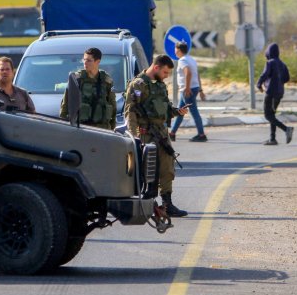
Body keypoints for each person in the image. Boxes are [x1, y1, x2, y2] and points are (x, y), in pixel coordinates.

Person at [124, 55, 189, 217]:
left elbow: (165, 108)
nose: (167, 76)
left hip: (161, 134)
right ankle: (147, 205)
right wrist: (134, 137)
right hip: (146, 135)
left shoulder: (160, 85)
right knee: (149, 171)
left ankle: (167, 204)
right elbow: (130, 111)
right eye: (165, 72)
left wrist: (177, 111)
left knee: (167, 169)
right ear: (156, 67)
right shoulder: (138, 85)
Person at [59, 47, 116, 130]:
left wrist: (112, 129)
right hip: (80, 129)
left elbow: (113, 107)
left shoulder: (107, 81)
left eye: (89, 60)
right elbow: (65, 106)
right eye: (84, 60)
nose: (85, 63)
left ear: (98, 62)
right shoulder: (76, 79)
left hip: (102, 130)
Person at [256, 43, 294, 145]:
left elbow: (264, 74)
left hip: (271, 92)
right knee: (272, 115)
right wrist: (278, 82)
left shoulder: (270, 62)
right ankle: (272, 139)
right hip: (279, 93)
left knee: (267, 115)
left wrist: (259, 84)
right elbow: (287, 78)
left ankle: (286, 129)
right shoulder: (283, 64)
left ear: (268, 52)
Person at [170, 42, 207, 142]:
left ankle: (201, 134)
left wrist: (187, 88)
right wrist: (200, 90)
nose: (174, 51)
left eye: (175, 49)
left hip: (187, 90)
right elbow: (197, 75)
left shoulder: (182, 60)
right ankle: (172, 133)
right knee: (180, 111)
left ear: (178, 50)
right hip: (193, 88)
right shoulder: (191, 59)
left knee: (194, 112)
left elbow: (189, 73)